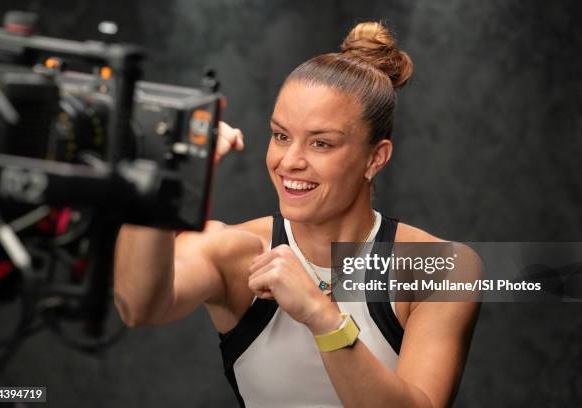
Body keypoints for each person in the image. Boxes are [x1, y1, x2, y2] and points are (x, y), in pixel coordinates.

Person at [114, 21, 481, 408]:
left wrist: (323, 318)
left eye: (321, 143)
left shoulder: (443, 268)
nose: (289, 162)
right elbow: (138, 306)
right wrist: (160, 180)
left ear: (375, 158)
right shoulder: (234, 250)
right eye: (280, 135)